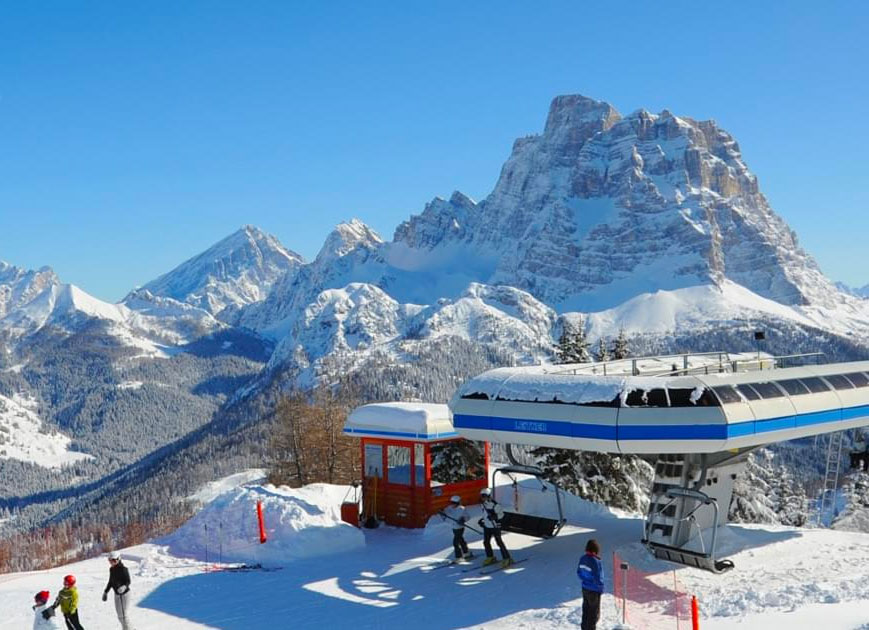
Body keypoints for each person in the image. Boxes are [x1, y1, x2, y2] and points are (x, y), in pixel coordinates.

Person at [478, 487, 512, 568]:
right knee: (486, 542)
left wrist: (494, 517)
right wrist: (482, 521)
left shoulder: (495, 505)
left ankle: (507, 558)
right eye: (482, 496)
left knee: (499, 542)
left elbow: (502, 515)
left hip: (495, 526)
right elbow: (485, 514)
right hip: (487, 526)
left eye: (484, 496)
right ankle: (490, 557)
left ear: (489, 496)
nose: (483, 498)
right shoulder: (483, 504)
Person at [103, 551, 135, 630]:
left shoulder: (124, 569)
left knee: (124, 615)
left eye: (114, 560)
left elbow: (128, 581)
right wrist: (105, 592)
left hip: (125, 594)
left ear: (118, 559)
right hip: (117, 594)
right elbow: (111, 581)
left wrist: (124, 587)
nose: (112, 562)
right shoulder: (111, 569)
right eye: (110, 560)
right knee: (120, 616)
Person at [577, 539, 604, 630]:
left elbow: (579, 572)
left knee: (586, 611)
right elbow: (598, 577)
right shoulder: (596, 561)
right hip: (594, 590)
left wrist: (585, 580)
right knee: (593, 614)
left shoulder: (582, 558)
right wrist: (600, 588)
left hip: (585, 588)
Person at [442, 495, 474, 562]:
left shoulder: (461, 509)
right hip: (454, 527)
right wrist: (442, 513)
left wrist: (463, 519)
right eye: (452, 503)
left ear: (458, 503)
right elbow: (446, 515)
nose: (452, 504)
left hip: (460, 528)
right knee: (461, 540)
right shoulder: (449, 508)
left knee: (455, 542)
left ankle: (459, 557)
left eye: (454, 503)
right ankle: (466, 552)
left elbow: (467, 517)